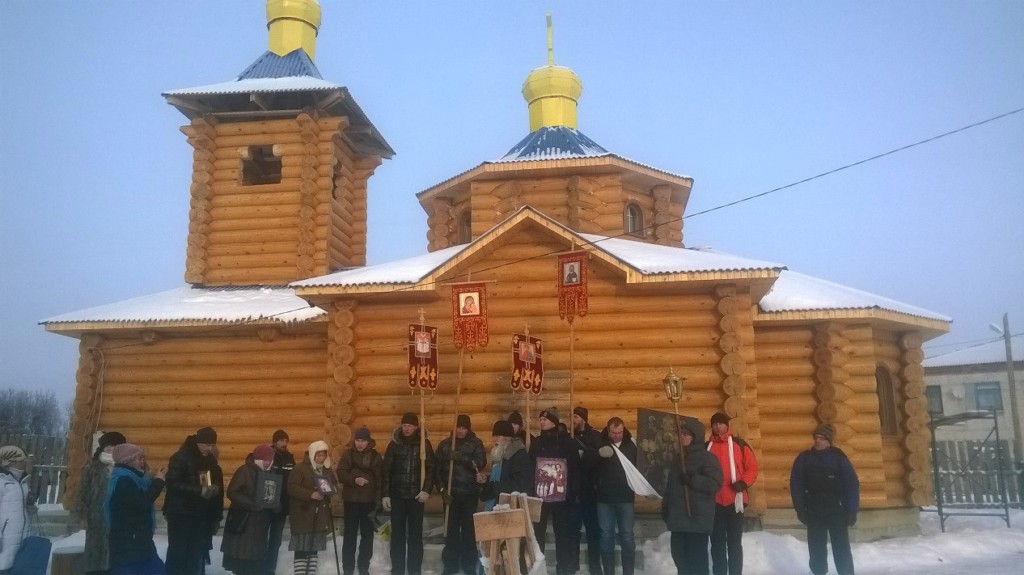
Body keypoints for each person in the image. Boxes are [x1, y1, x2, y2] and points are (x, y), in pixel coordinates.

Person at [790, 423, 860, 575]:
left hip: (836, 510)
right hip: (814, 510)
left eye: (822, 438)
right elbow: (796, 484)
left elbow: (852, 485)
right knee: (816, 549)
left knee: (841, 548)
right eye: (816, 437)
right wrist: (800, 509)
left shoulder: (839, 458)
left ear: (829, 440)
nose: (818, 441)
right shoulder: (804, 459)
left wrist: (852, 510)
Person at [663, 417, 723, 575]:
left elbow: (714, 484)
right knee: (680, 561)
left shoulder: (708, 459)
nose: (682, 437)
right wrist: (666, 508)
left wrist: (693, 480)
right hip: (678, 520)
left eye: (686, 435)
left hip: (696, 520)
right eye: (681, 434)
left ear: (695, 437)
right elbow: (671, 488)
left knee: (697, 564)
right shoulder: (677, 459)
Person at [164, 426, 225, 575]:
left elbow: (208, 480)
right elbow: (172, 483)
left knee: (195, 552)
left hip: (200, 512)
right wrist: (200, 491)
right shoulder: (181, 457)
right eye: (206, 445)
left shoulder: (209, 459)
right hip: (180, 512)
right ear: (198, 442)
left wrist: (213, 489)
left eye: (212, 445)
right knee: (178, 551)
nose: (209, 448)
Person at [706, 412, 759, 575]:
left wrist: (743, 483)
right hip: (714, 502)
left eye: (721, 423)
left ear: (727, 426)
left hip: (735, 502)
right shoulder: (706, 447)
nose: (717, 426)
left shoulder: (739, 445)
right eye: (715, 423)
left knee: (735, 542)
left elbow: (752, 467)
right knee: (716, 542)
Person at [528, 408, 580, 575]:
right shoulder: (536, 443)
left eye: (545, 418)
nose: (541, 421)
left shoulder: (568, 442)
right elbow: (530, 468)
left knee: (562, 533)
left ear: (554, 421)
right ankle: (538, 567)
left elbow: (575, 468)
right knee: (538, 533)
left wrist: (572, 491)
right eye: (540, 418)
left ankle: (563, 567)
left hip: (562, 497)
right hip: (540, 496)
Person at [382, 412, 434, 575]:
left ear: (416, 427)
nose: (406, 428)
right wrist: (385, 494)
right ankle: (397, 570)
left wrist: (426, 490)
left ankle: (414, 570)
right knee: (397, 536)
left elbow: (431, 470)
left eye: (409, 426)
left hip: (416, 498)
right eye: (404, 425)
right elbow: (386, 471)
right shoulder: (394, 445)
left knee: (415, 536)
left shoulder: (424, 445)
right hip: (397, 497)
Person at [434, 415, 486, 575]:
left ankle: (469, 565)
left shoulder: (476, 444)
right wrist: (442, 490)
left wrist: (461, 457)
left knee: (469, 531)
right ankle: (450, 565)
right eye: (458, 427)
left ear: (468, 429)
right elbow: (436, 470)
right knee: (451, 532)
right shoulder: (445, 445)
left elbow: (480, 463)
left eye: (463, 428)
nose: (460, 431)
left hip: (469, 494)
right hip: (451, 496)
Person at [104, 443, 167, 575]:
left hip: (139, 542)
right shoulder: (123, 480)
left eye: (142, 458)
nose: (142, 462)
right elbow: (141, 503)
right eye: (139, 459)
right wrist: (158, 482)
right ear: (128, 462)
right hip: (128, 545)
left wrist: (153, 478)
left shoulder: (134, 478)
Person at [222, 444, 279, 575]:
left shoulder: (271, 474)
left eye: (270, 460)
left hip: (261, 525)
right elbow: (232, 492)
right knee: (243, 560)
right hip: (244, 523)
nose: (268, 462)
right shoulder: (245, 471)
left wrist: (275, 505)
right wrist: (252, 504)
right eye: (265, 460)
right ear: (258, 459)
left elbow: (272, 496)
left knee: (256, 562)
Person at [75, 431, 127, 574]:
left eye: (114, 446)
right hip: (96, 517)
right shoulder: (93, 466)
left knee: (118, 551)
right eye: (107, 446)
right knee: (96, 552)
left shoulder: (126, 465)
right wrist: (82, 515)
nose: (110, 449)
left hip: (120, 516)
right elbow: (82, 491)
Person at [595, 417, 638, 575]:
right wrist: (598, 455)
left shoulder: (631, 445)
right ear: (608, 430)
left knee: (627, 535)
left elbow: (642, 469)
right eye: (614, 433)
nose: (617, 435)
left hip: (626, 498)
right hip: (604, 498)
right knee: (606, 536)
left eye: (620, 432)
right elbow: (587, 465)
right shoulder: (599, 442)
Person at [337, 427, 383, 575]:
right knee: (349, 536)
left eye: (363, 441)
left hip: (368, 502)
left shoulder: (375, 457)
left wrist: (378, 502)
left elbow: (380, 480)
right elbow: (341, 472)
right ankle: (348, 569)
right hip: (351, 501)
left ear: (368, 441)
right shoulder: (348, 454)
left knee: (367, 536)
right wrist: (354, 479)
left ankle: (364, 567)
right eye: (357, 440)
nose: (360, 444)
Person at [288, 440, 337, 575]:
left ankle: (310, 572)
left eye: (323, 455)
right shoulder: (300, 468)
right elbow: (292, 488)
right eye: (318, 455)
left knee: (314, 547)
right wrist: (311, 494)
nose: (321, 458)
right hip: (303, 514)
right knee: (302, 547)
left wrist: (330, 490)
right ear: (312, 454)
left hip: (319, 514)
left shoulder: (327, 470)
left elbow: (334, 485)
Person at [571, 406, 604, 575]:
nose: (573, 420)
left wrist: (583, 456)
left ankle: (595, 564)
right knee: (573, 530)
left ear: (583, 419)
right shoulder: (569, 437)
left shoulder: (595, 436)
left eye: (576, 417)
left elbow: (597, 457)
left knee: (593, 530)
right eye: (572, 417)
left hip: (591, 491)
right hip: (574, 491)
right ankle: (574, 563)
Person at [476, 420, 532, 509]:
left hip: (512, 508)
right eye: (494, 436)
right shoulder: (499, 453)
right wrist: (486, 480)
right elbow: (500, 477)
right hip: (496, 505)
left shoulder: (519, 455)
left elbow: (521, 484)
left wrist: (495, 488)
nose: (495, 439)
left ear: (508, 438)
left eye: (498, 436)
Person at [265, 430, 295, 575]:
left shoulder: (290, 458)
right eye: (281, 440)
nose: (284, 443)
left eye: (285, 440)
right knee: (261, 536)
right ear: (275, 441)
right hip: (266, 505)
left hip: (282, 506)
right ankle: (258, 566)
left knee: (276, 539)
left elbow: (293, 480)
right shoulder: (268, 455)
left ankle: (270, 568)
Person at [0, 446, 31, 573]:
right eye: (21, 461)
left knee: (19, 568)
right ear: (9, 462)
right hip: (5, 539)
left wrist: (30, 508)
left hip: (23, 536)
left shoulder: (22, 481)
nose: (24, 463)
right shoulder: (2, 482)